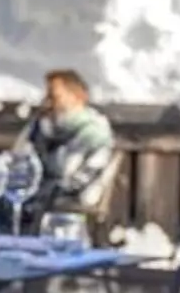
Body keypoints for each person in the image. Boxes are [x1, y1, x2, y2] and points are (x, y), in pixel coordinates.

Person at [25, 69, 116, 212]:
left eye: (55, 96)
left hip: (72, 201)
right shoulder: (44, 125)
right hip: (39, 195)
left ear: (77, 96)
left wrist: (52, 194)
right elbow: (24, 158)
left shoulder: (94, 131)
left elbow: (88, 174)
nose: (48, 101)